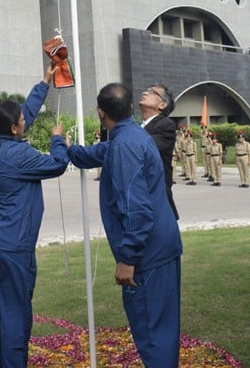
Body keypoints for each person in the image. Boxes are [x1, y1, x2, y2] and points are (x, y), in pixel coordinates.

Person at [67, 82, 183, 366]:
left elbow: (138, 210)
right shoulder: (132, 135)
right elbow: (96, 153)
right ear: (130, 108)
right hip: (162, 246)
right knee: (162, 332)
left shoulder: (126, 144)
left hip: (147, 254)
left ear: (100, 112)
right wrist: (65, 147)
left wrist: (127, 258)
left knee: (152, 334)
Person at [0, 64, 69, 367]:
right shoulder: (20, 155)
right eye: (23, 120)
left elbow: (24, 111)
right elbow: (57, 164)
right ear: (15, 128)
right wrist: (58, 139)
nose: (26, 119)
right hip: (11, 245)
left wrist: (44, 83)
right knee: (15, 312)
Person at [138, 84, 179, 219]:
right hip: (139, 199)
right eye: (146, 90)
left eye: (152, 92)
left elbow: (143, 147)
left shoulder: (165, 125)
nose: (145, 92)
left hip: (156, 201)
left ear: (162, 105)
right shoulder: (138, 127)